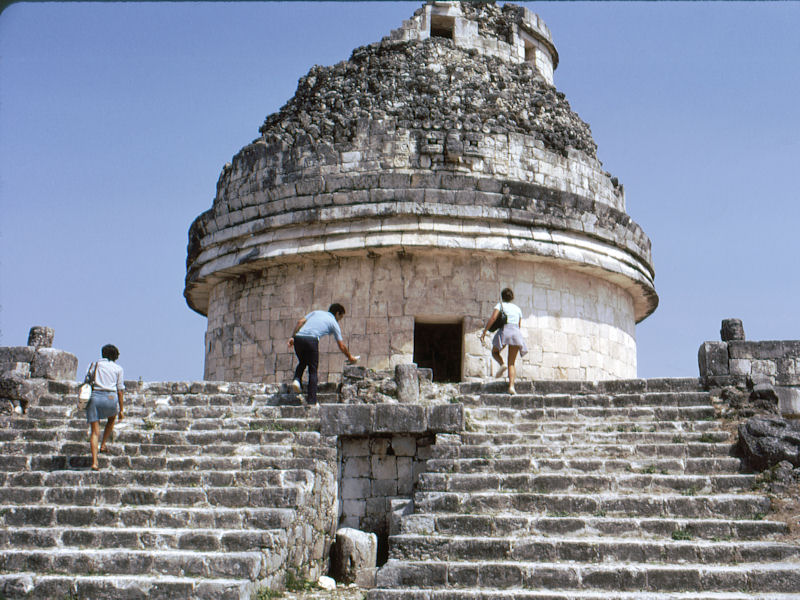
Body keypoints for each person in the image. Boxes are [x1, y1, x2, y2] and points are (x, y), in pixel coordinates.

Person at [288, 303, 358, 404]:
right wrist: (350, 357)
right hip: (311, 340)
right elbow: (341, 345)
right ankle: (312, 401)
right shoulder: (334, 323)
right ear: (337, 313)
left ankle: (297, 379)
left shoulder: (316, 312)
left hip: (298, 339)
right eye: (340, 317)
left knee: (303, 361)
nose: (339, 320)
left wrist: (293, 337)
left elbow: (300, 322)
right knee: (313, 370)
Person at [480, 288, 528, 395]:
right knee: (512, 363)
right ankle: (511, 387)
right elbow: (519, 325)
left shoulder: (500, 305)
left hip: (506, 330)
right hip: (516, 333)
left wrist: (484, 331)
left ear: (502, 297)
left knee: (495, 352)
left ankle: (502, 364)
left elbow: (493, 318)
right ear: (512, 297)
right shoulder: (518, 309)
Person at [84, 344, 125, 470]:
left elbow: (86, 381)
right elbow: (120, 390)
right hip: (111, 398)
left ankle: (95, 462)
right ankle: (103, 444)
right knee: (111, 418)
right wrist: (121, 410)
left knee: (94, 432)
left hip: (95, 396)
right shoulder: (118, 368)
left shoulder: (94, 365)